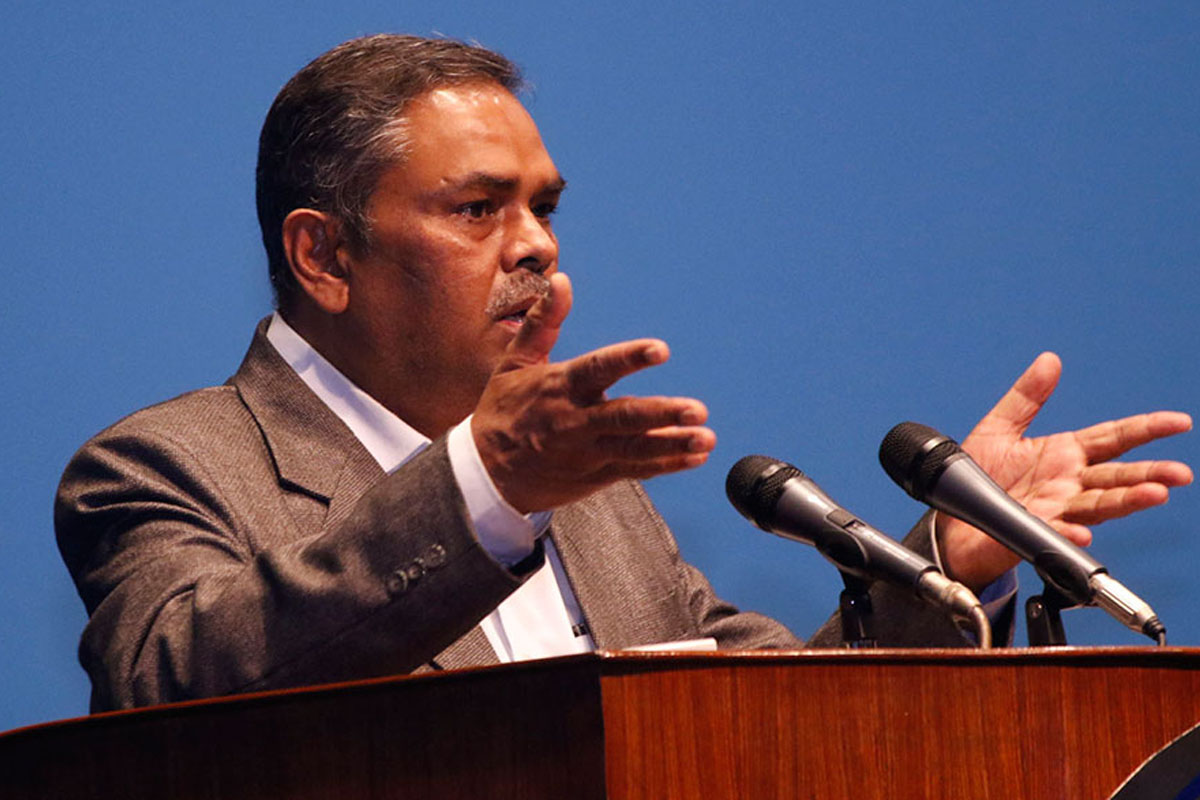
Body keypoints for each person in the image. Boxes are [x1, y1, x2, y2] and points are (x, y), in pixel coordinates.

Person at [55, 34, 1193, 712]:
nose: (536, 246)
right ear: (324, 256)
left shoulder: (593, 497)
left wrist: (950, 560)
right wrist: (484, 488)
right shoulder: (162, 467)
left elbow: (769, 718)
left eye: (543, 208)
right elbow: (179, 682)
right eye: (477, 209)